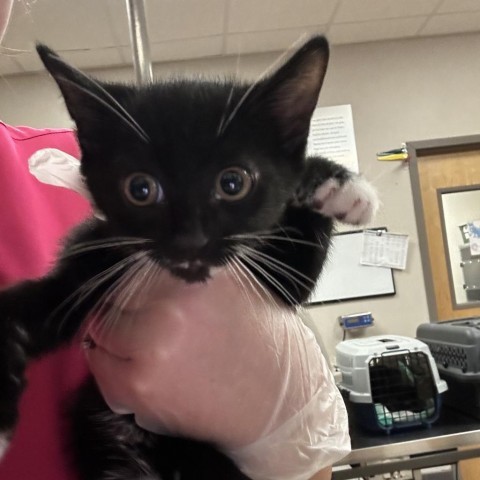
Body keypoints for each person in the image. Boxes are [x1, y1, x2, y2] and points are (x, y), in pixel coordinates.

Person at [0, 2, 348, 479]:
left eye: (232, 185)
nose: (192, 237)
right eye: (141, 192)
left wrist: (288, 440)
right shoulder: (100, 178)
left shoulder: (59, 169)